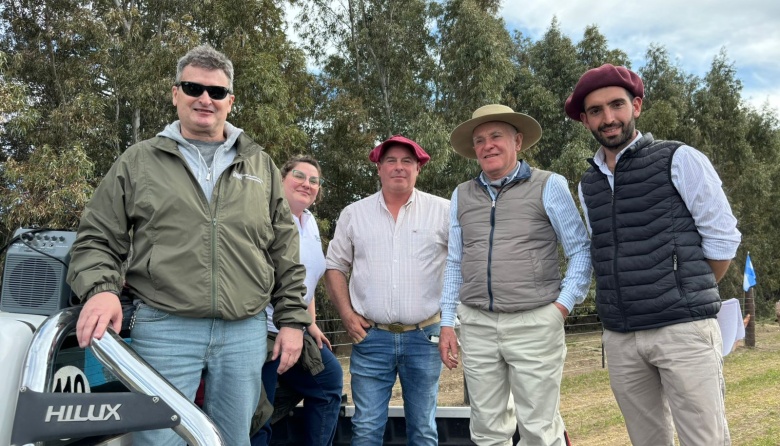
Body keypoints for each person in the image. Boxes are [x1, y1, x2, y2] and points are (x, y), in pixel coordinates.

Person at [66, 44, 311, 446]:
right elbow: (96, 238)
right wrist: (101, 290)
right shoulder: (138, 161)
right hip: (164, 326)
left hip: (245, 329)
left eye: (216, 92)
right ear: (175, 93)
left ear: (230, 101)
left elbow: (284, 250)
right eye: (193, 87)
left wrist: (291, 320)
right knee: (159, 440)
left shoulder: (260, 164)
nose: (205, 99)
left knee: (235, 437)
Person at [565, 63, 741, 446]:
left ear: (637, 106)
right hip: (622, 337)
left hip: (683, 330)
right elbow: (602, 247)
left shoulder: (679, 158)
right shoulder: (588, 183)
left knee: (705, 440)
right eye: (596, 111)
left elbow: (723, 239)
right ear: (585, 120)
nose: (608, 118)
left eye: (617, 105)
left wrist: (684, 290)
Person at [438, 104, 591, 446]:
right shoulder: (461, 194)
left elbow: (580, 249)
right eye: (479, 140)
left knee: (539, 427)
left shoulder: (549, 185)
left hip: (535, 322)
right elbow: (454, 261)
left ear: (517, 141)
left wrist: (561, 308)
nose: (487, 145)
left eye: (496, 136)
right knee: (486, 428)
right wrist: (448, 321)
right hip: (477, 325)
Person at [324, 135, 450, 446]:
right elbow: (335, 267)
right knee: (366, 429)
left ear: (418, 168)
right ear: (378, 168)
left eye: (407, 161)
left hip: (425, 337)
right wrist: (346, 314)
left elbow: (462, 268)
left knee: (423, 429)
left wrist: (452, 322)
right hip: (371, 338)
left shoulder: (444, 211)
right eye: (391, 161)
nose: (399, 167)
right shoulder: (355, 214)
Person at [250, 155, 343, 446]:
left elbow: (307, 281)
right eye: (300, 176)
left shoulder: (311, 223)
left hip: (297, 328)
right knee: (257, 415)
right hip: (260, 330)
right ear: (281, 179)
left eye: (314, 181)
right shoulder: (261, 216)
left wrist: (311, 323)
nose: (307, 184)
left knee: (328, 382)